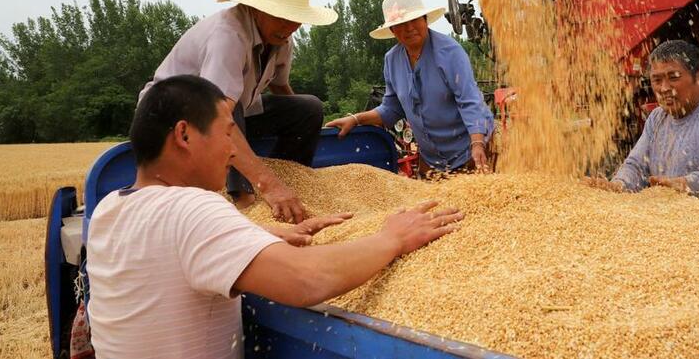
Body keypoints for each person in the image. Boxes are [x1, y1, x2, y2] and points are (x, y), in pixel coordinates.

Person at [86, 75, 462, 359]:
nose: (232, 151)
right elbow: (306, 280)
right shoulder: (192, 209)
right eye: (227, 133)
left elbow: (166, 252)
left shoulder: (111, 208)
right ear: (184, 135)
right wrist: (391, 238)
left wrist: (257, 234)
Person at [140, 0, 335, 222]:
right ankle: (245, 199)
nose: (289, 27)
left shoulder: (280, 39)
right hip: (172, 122)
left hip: (226, 117)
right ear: (258, 9)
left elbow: (281, 88)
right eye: (282, 17)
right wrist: (269, 185)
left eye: (295, 19)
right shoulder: (229, 35)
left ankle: (290, 179)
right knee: (228, 107)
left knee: (308, 107)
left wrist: (302, 127)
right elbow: (215, 113)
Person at [326, 0, 494, 176]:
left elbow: (469, 100)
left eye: (414, 20)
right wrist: (356, 119)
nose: (409, 28)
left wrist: (477, 143)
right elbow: (391, 110)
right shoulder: (392, 60)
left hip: (470, 152)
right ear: (392, 30)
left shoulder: (450, 52)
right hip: (432, 160)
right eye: (401, 24)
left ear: (425, 20)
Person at [586, 40, 699, 197]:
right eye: (657, 80)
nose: (664, 88)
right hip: (669, 222)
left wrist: (686, 184)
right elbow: (636, 166)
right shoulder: (657, 118)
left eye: (673, 77)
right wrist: (618, 185)